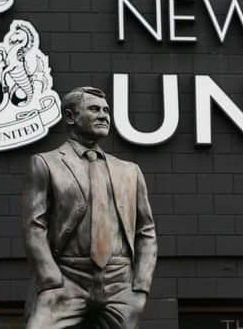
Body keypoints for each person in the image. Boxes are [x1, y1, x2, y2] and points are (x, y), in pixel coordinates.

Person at [22, 86, 157, 328]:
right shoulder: (46, 164)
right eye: (94, 109)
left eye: (106, 110)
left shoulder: (130, 171)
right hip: (67, 277)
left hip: (120, 284)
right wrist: (51, 280)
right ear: (71, 117)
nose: (104, 115)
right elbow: (34, 227)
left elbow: (146, 232)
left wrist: (140, 288)